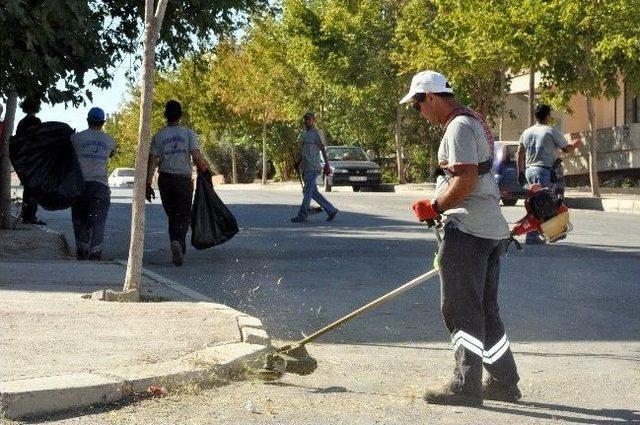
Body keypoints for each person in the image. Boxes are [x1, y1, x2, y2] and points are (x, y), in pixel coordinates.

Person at [401, 70, 521, 406]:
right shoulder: (474, 120)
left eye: (417, 105)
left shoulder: (457, 127)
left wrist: (434, 205)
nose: (418, 113)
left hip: (468, 231)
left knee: (460, 308)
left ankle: (466, 386)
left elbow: (466, 179)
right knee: (484, 308)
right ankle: (504, 382)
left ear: (432, 97)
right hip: (491, 230)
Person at [146, 100, 208, 266]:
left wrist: (147, 184)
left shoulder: (158, 136)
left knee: (173, 214)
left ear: (165, 115)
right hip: (183, 180)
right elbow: (196, 157)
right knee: (183, 214)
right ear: (180, 115)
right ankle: (178, 242)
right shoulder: (188, 134)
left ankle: (176, 242)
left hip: (165, 180)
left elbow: (152, 162)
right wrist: (204, 170)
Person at [517, 104, 581, 244]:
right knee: (544, 204)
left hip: (529, 171)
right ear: (547, 116)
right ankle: (541, 234)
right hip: (543, 171)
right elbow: (566, 149)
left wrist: (520, 171)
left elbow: (520, 153)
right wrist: (575, 144)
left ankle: (535, 234)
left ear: (535, 116)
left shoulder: (527, 132)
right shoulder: (550, 131)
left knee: (534, 204)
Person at [70, 107, 116, 261]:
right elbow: (112, 153)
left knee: (79, 218)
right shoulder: (109, 140)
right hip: (100, 185)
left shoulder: (75, 138)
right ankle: (95, 252)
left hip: (79, 185)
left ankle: (82, 250)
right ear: (102, 122)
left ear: (88, 120)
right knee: (98, 220)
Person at [290, 112, 338, 223]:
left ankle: (302, 215)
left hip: (313, 167)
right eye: (305, 119)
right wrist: (298, 162)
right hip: (305, 167)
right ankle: (331, 210)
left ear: (313, 120)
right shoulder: (304, 134)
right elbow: (303, 152)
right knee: (313, 193)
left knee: (307, 192)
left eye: (309, 119)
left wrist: (327, 164)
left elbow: (322, 149)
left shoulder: (316, 133)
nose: (307, 121)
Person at [15, 98, 45, 225]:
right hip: (34, 159)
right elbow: (39, 138)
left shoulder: (21, 122)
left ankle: (26, 214)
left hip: (23, 158)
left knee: (28, 187)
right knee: (33, 188)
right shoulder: (36, 121)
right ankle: (30, 216)